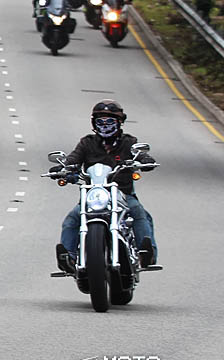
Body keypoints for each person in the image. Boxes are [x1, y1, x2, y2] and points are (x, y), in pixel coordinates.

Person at [54, 100, 158, 273]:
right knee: (71, 220)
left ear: (119, 122)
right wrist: (63, 168)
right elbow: (73, 159)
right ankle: (69, 258)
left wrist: (145, 160)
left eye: (110, 121)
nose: (105, 125)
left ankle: (145, 253)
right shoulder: (87, 143)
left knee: (140, 214)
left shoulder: (129, 142)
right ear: (94, 123)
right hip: (93, 195)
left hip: (123, 195)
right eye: (100, 122)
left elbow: (139, 154)